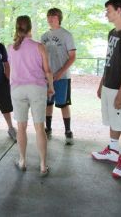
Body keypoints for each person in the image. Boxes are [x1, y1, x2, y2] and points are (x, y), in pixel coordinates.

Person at [91, 0, 121, 178]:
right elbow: (109, 60)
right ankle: (113, 151)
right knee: (113, 120)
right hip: (108, 86)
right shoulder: (112, 33)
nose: (106, 14)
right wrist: (101, 84)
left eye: (108, 10)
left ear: (119, 11)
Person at [8, 15, 54, 176]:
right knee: (39, 127)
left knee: (21, 127)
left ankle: (22, 161)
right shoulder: (39, 47)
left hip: (17, 89)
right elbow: (47, 70)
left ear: (17, 28)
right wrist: (51, 87)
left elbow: (11, 69)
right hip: (37, 88)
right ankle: (42, 165)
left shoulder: (11, 48)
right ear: (30, 28)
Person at [41, 8, 76, 145]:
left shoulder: (67, 35)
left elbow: (73, 57)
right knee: (48, 103)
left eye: (53, 16)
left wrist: (60, 73)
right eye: (48, 16)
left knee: (63, 104)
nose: (50, 19)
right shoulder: (43, 36)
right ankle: (48, 128)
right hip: (47, 77)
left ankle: (68, 131)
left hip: (62, 77)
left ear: (59, 18)